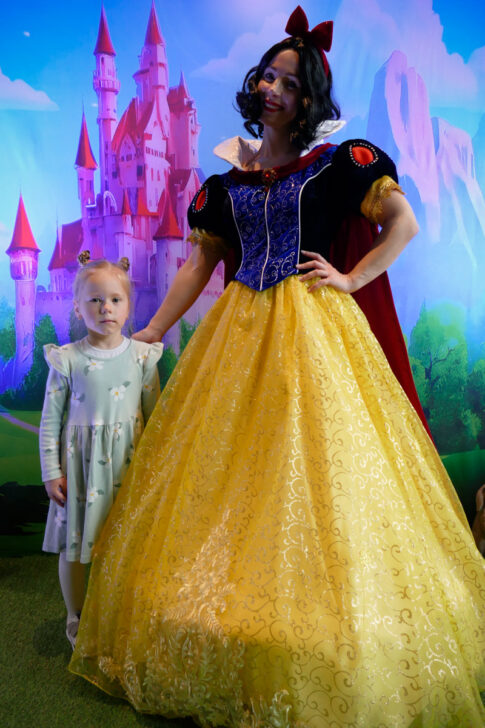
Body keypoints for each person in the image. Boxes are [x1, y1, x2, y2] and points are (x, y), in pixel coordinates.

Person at [69, 7, 485, 726]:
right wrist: (152, 330)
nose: (273, 88)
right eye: (268, 75)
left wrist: (351, 279)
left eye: (290, 83)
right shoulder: (223, 187)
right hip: (236, 337)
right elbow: (196, 265)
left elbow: (403, 222)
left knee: (319, 468)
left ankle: (323, 614)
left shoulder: (342, 163)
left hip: (315, 334)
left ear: (309, 98)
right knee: (232, 471)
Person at [40, 253, 163, 648]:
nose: (105, 308)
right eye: (94, 300)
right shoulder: (67, 359)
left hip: (128, 469)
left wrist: (154, 470)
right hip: (79, 472)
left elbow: (155, 418)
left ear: (128, 307)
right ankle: (75, 617)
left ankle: (121, 614)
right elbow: (50, 421)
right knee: (73, 548)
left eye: (114, 299)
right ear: (78, 307)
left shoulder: (143, 357)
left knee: (127, 547)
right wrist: (50, 471)